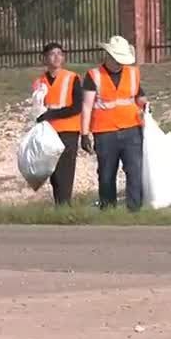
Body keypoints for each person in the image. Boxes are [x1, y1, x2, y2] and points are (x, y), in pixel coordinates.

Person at [80, 35, 147, 211]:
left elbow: (139, 97)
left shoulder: (133, 73)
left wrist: (146, 106)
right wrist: (84, 133)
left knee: (134, 171)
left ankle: (134, 210)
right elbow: (87, 106)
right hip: (104, 132)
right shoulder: (94, 76)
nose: (119, 64)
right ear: (107, 56)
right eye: (117, 60)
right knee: (106, 174)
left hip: (132, 130)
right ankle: (108, 210)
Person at [31, 42, 83, 206]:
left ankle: (65, 205)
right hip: (49, 132)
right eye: (52, 54)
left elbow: (77, 107)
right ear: (45, 58)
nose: (56, 57)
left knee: (65, 171)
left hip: (68, 130)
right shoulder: (39, 82)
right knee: (53, 172)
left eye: (59, 54)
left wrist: (52, 114)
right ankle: (59, 205)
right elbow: (37, 107)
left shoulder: (72, 78)